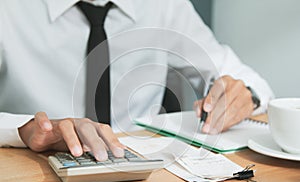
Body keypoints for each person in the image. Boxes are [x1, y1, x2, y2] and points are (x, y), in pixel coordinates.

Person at [0, 0, 274, 160]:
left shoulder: (164, 5)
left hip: (144, 171)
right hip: (34, 168)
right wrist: (21, 129)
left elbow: (243, 77)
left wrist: (244, 95)